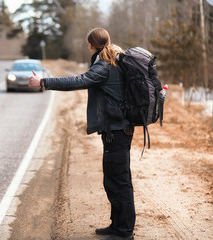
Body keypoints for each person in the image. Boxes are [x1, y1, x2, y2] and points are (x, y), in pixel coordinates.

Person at [28, 28, 135, 240]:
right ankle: (117, 225)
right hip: (115, 129)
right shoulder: (111, 59)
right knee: (113, 179)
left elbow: (79, 81)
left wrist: (44, 82)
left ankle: (124, 232)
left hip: (117, 130)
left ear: (91, 45)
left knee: (119, 181)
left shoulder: (105, 65)